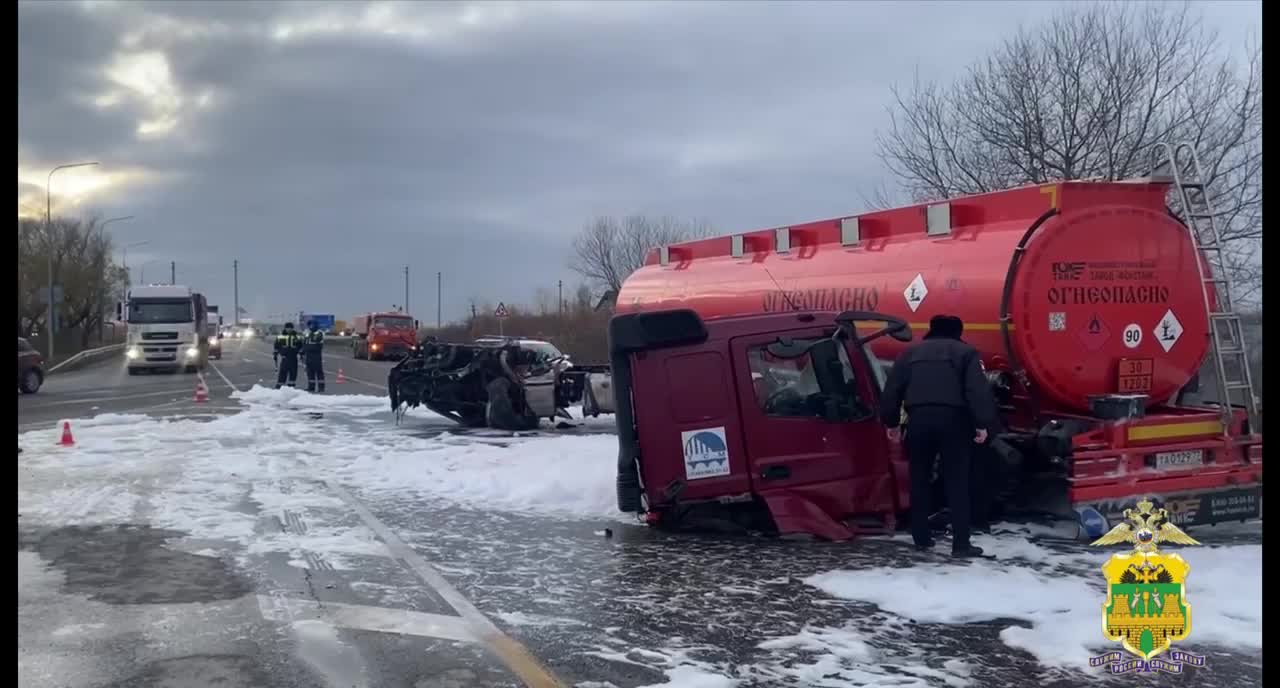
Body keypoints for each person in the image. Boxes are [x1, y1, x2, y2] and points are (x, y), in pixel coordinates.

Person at [879, 314, 1000, 558]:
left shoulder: (909, 354)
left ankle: (921, 538)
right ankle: (961, 545)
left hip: (918, 422)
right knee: (957, 482)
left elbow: (892, 390)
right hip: (955, 423)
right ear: (958, 332)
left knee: (919, 479)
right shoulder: (966, 353)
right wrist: (982, 424)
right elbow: (976, 391)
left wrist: (891, 422)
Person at [273, 322, 304, 389]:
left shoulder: (297, 337)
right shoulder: (280, 337)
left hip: (293, 358)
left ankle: (291, 388)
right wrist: (275, 354)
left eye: (290, 328)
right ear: (285, 328)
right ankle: (279, 388)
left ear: (292, 328)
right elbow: (276, 346)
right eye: (287, 328)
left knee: (293, 374)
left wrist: (301, 354)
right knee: (282, 373)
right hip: (285, 358)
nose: (289, 329)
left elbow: (300, 346)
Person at [302, 319, 326, 393]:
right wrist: (302, 352)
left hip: (316, 355)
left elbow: (316, 341)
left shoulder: (319, 333)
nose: (310, 327)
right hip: (308, 355)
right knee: (310, 372)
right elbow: (304, 343)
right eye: (309, 325)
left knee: (318, 371)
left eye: (311, 325)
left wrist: (310, 334)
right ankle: (311, 386)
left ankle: (321, 387)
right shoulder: (308, 333)